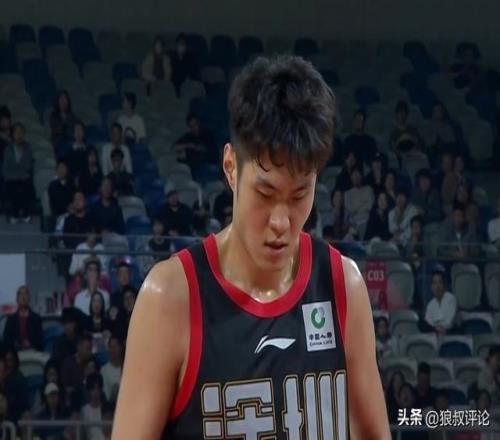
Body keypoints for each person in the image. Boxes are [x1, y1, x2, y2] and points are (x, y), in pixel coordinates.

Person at [113, 55, 390, 439]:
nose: (281, 221)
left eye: (299, 195)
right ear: (231, 167)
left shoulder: (344, 286)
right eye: (265, 193)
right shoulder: (170, 299)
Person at [2, 122, 33, 223]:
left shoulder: (28, 148)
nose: (19, 135)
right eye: (17, 132)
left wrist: (17, 175)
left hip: (24, 178)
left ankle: (25, 213)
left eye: (21, 132)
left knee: (25, 185)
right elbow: (6, 168)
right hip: (11, 179)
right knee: (12, 186)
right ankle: (14, 214)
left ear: (24, 134)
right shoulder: (8, 149)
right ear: (13, 134)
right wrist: (15, 176)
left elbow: (27, 166)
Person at [3, 285, 43, 351]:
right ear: (17, 299)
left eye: (25, 294)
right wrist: (14, 344)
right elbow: (5, 340)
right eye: (21, 294)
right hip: (15, 353)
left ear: (29, 298)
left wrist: (30, 344)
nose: (23, 296)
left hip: (31, 353)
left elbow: (40, 342)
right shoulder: (11, 319)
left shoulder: (36, 318)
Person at [423, 271, 458, 335]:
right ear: (431, 287)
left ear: (444, 285)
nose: (437, 286)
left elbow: (449, 322)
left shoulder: (451, 298)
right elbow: (429, 324)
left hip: (450, 334)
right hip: (434, 334)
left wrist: (437, 326)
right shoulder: (430, 305)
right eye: (434, 283)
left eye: (440, 282)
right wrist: (437, 328)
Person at [61, 333, 93, 399]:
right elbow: (67, 388)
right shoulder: (68, 363)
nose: (89, 352)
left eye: (90, 349)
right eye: (87, 349)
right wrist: (84, 377)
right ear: (79, 347)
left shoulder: (92, 362)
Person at [343, 166, 374, 235]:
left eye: (358, 174)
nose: (356, 177)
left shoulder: (369, 189)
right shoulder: (347, 194)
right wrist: (364, 204)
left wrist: (356, 209)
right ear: (351, 177)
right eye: (354, 175)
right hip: (353, 223)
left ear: (361, 176)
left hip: (367, 221)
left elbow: (370, 206)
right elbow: (350, 210)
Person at [1, 348, 28, 422]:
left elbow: (24, 405)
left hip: (14, 418)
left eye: (11, 360)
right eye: (6, 360)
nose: (8, 364)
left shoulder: (20, 380)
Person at [82, 373, 106, 440]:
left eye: (98, 388)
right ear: (88, 390)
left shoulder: (106, 409)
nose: (96, 392)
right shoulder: (84, 410)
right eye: (93, 389)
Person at [101, 336, 123, 404]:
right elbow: (105, 396)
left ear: (121, 348)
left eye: (115, 346)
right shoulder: (104, 370)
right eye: (110, 347)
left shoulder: (127, 368)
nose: (112, 350)